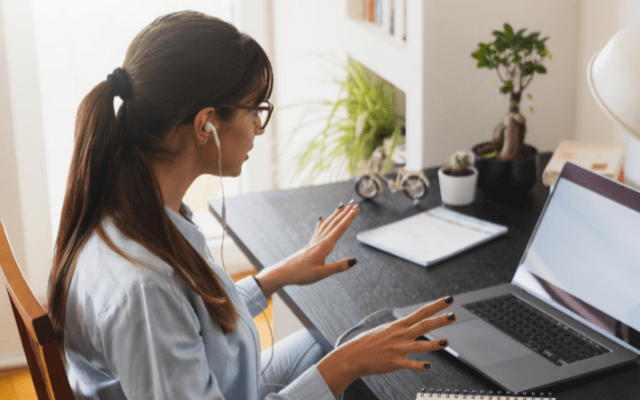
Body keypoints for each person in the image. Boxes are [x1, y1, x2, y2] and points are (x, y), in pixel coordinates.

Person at [47, 11, 455, 400]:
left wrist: (275, 277)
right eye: (255, 110)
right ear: (206, 124)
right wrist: (347, 365)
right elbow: (168, 310)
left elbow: (190, 319)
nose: (259, 128)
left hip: (221, 381)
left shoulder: (126, 212)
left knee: (336, 338)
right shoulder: (146, 291)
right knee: (350, 355)